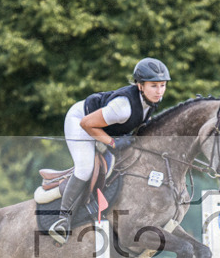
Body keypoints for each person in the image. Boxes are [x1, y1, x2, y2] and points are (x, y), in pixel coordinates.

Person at [48, 58, 171, 243]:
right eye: (154, 86)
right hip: (81, 121)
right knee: (85, 168)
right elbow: (86, 123)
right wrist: (112, 143)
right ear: (140, 85)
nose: (159, 91)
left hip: (102, 126)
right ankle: (63, 219)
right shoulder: (123, 108)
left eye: (162, 85)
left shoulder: (153, 100)